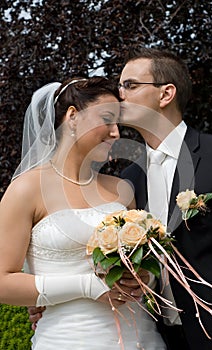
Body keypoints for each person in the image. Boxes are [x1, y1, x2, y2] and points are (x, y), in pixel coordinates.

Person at [0, 76, 167, 349]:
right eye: (106, 119)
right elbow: (3, 283)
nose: (116, 132)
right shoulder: (26, 190)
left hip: (143, 338)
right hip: (69, 339)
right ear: (73, 116)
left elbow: (144, 266)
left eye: (118, 123)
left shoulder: (121, 189)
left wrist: (143, 278)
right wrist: (87, 287)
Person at [118, 47, 212, 350]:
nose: (120, 95)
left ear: (165, 94)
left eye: (130, 85)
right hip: (159, 334)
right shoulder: (129, 177)